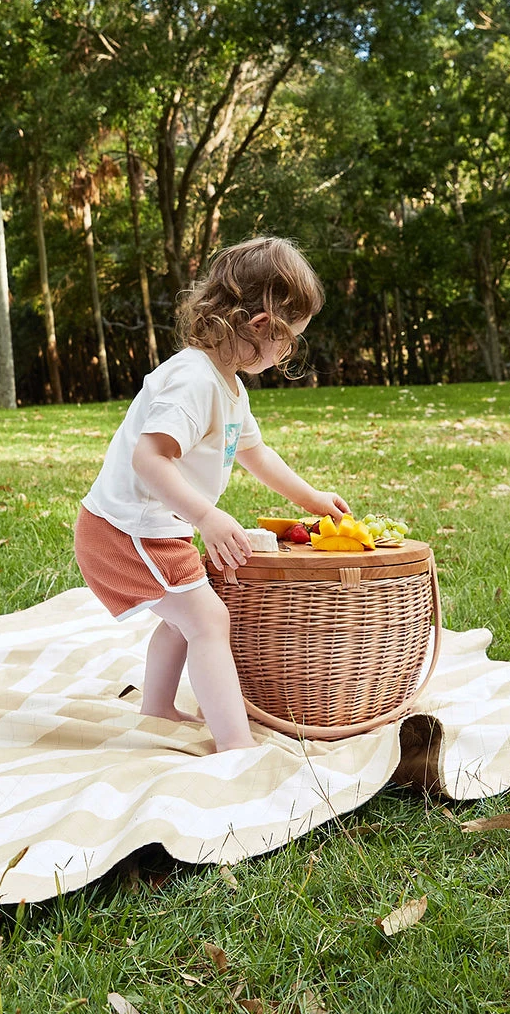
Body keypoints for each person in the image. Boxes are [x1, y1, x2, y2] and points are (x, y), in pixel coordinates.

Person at [74, 237, 350, 752]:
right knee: (207, 618)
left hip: (152, 528)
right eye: (290, 341)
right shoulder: (193, 380)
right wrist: (207, 516)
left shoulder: (229, 386)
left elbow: (257, 455)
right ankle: (234, 746)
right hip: (125, 530)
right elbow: (149, 458)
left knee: (187, 617)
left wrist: (311, 498)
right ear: (263, 327)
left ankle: (156, 707)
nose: (288, 353)